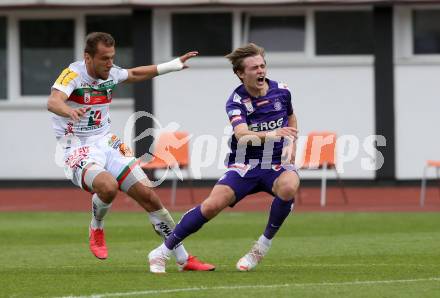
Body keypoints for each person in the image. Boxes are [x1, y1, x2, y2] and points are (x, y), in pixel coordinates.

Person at [47, 32, 214, 272]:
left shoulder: (111, 72)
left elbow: (135, 73)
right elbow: (53, 101)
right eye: (104, 58)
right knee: (108, 187)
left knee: (149, 197)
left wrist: (172, 65)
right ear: (87, 57)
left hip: (107, 141)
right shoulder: (72, 74)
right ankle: (97, 227)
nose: (110, 63)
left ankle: (183, 258)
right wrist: (68, 111)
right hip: (77, 147)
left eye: (112, 57)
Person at [148, 43, 300, 273]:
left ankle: (260, 248)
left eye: (262, 66)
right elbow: (242, 135)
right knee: (212, 206)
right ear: (240, 74)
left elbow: (291, 118)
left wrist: (290, 142)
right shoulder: (236, 101)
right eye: (253, 68)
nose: (260, 71)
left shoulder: (282, 91)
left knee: (290, 187)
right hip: (245, 164)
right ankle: (162, 251)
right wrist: (273, 133)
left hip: (276, 162)